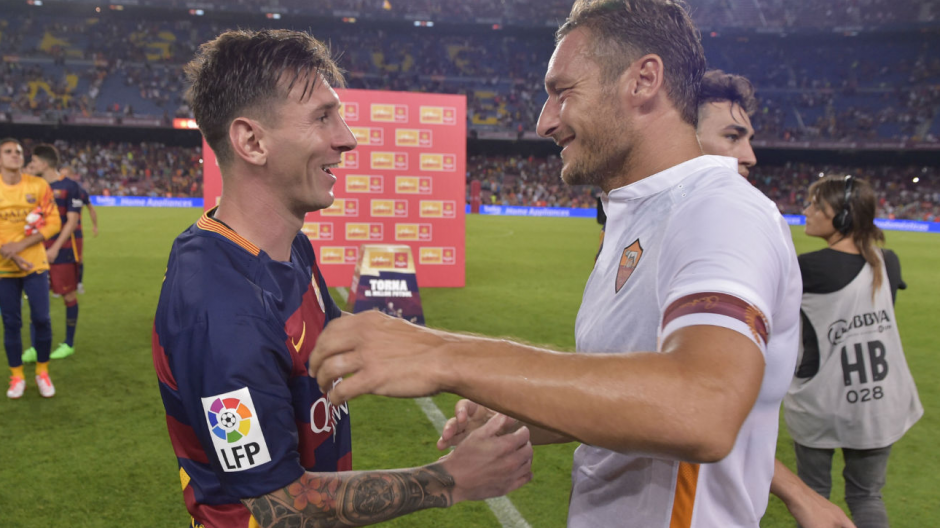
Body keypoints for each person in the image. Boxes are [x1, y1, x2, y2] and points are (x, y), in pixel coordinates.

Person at [310, 1, 803, 526]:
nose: (545, 121)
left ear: (643, 80)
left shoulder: (719, 210)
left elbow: (702, 408)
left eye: (562, 92)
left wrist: (442, 353)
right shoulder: (634, 221)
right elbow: (635, 401)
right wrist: (519, 407)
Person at [153, 29, 532, 528]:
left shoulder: (286, 247)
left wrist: (457, 366)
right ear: (252, 141)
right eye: (322, 117)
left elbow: (335, 337)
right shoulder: (220, 310)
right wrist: (452, 479)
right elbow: (279, 507)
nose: (347, 138)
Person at [696, 69, 856, 528]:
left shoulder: (742, 225)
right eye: (732, 136)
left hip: (703, 510)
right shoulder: (641, 227)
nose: (750, 155)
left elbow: (701, 403)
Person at [784, 175, 922, 528]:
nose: (807, 211)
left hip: (823, 399)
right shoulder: (887, 261)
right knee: (867, 498)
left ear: (842, 217)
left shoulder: (808, 268)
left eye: (816, 204)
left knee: (813, 497)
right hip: (878, 400)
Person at [0, 138, 61, 398]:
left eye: (18, 152)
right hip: (4, 269)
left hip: (35, 264)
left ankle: (42, 372)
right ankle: (17, 376)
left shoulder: (38, 186)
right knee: (11, 323)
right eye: (8, 151)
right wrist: (8, 250)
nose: (15, 155)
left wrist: (21, 245)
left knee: (41, 319)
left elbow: (53, 223)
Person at [21, 144, 83, 361]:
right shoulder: (34, 186)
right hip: (36, 250)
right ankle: (36, 347)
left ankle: (68, 343)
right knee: (36, 298)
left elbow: (72, 221)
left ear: (44, 163)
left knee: (68, 295)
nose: (31, 165)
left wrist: (55, 248)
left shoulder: (69, 186)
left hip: (62, 251)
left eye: (34, 161)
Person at [61, 165, 97, 294]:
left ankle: (79, 283)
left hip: (76, 230)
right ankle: (60, 285)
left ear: (72, 176)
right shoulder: (55, 189)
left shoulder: (80, 191)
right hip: (58, 230)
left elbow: (91, 208)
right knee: (59, 258)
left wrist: (95, 225)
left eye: (66, 175)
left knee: (78, 258)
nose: (63, 178)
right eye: (61, 175)